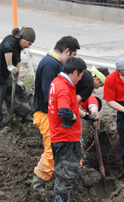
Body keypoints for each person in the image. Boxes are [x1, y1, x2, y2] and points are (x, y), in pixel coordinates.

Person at [32, 36, 81, 192]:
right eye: (72, 56)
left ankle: (69, 179)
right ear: (67, 51)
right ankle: (38, 184)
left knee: (64, 148)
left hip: (53, 114)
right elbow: (50, 97)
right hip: (47, 114)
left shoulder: (52, 63)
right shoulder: (50, 66)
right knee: (51, 150)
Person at [0, 27, 35, 131]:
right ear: (23, 40)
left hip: (6, 77)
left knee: (18, 92)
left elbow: (17, 62)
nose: (28, 47)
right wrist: (9, 66)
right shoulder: (10, 40)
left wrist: (17, 80)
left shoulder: (19, 47)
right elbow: (7, 49)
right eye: (29, 44)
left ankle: (25, 115)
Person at [48, 57, 87, 202]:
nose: (80, 79)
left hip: (58, 136)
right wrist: (75, 118)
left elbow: (70, 106)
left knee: (61, 173)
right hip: (66, 139)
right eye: (81, 76)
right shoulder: (64, 87)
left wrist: (85, 115)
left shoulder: (56, 82)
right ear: (75, 72)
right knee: (66, 175)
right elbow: (64, 112)